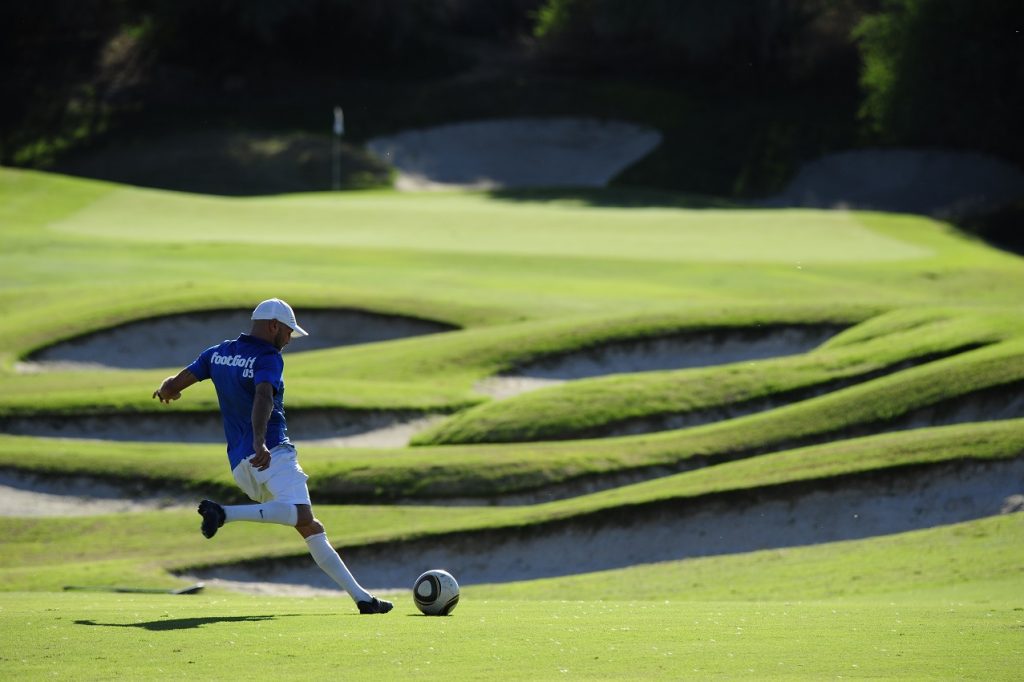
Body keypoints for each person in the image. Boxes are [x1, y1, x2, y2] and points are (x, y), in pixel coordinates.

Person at [152, 298, 393, 615]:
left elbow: (179, 380)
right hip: (271, 451)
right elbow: (263, 395)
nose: (290, 340)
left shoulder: (219, 353)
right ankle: (224, 513)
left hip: (240, 465)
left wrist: (168, 388)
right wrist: (261, 442)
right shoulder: (268, 357)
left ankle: (363, 600)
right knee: (303, 516)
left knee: (309, 526)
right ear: (274, 327)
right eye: (289, 332)